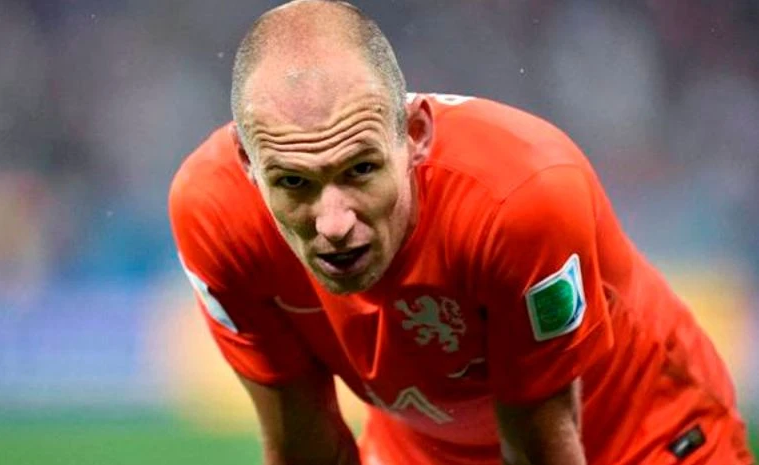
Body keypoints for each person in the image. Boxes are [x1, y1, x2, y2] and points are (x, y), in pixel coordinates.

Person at [169, 1, 754, 464]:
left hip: (644, 437)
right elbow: (305, 447)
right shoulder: (214, 215)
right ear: (248, 164)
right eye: (294, 183)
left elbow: (539, 445)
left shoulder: (520, 200)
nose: (334, 224)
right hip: (422, 453)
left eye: (361, 170)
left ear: (415, 135)